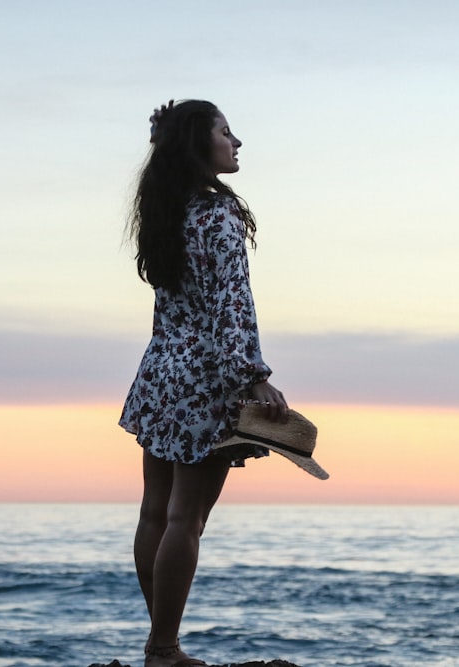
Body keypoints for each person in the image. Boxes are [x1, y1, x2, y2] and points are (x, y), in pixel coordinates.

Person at [119, 99, 288, 667]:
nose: (237, 142)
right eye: (225, 132)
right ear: (199, 143)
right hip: (206, 377)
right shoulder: (217, 213)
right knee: (185, 519)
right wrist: (253, 377)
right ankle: (163, 647)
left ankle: (161, 642)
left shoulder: (166, 211)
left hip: (162, 371)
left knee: (154, 514)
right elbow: (230, 304)